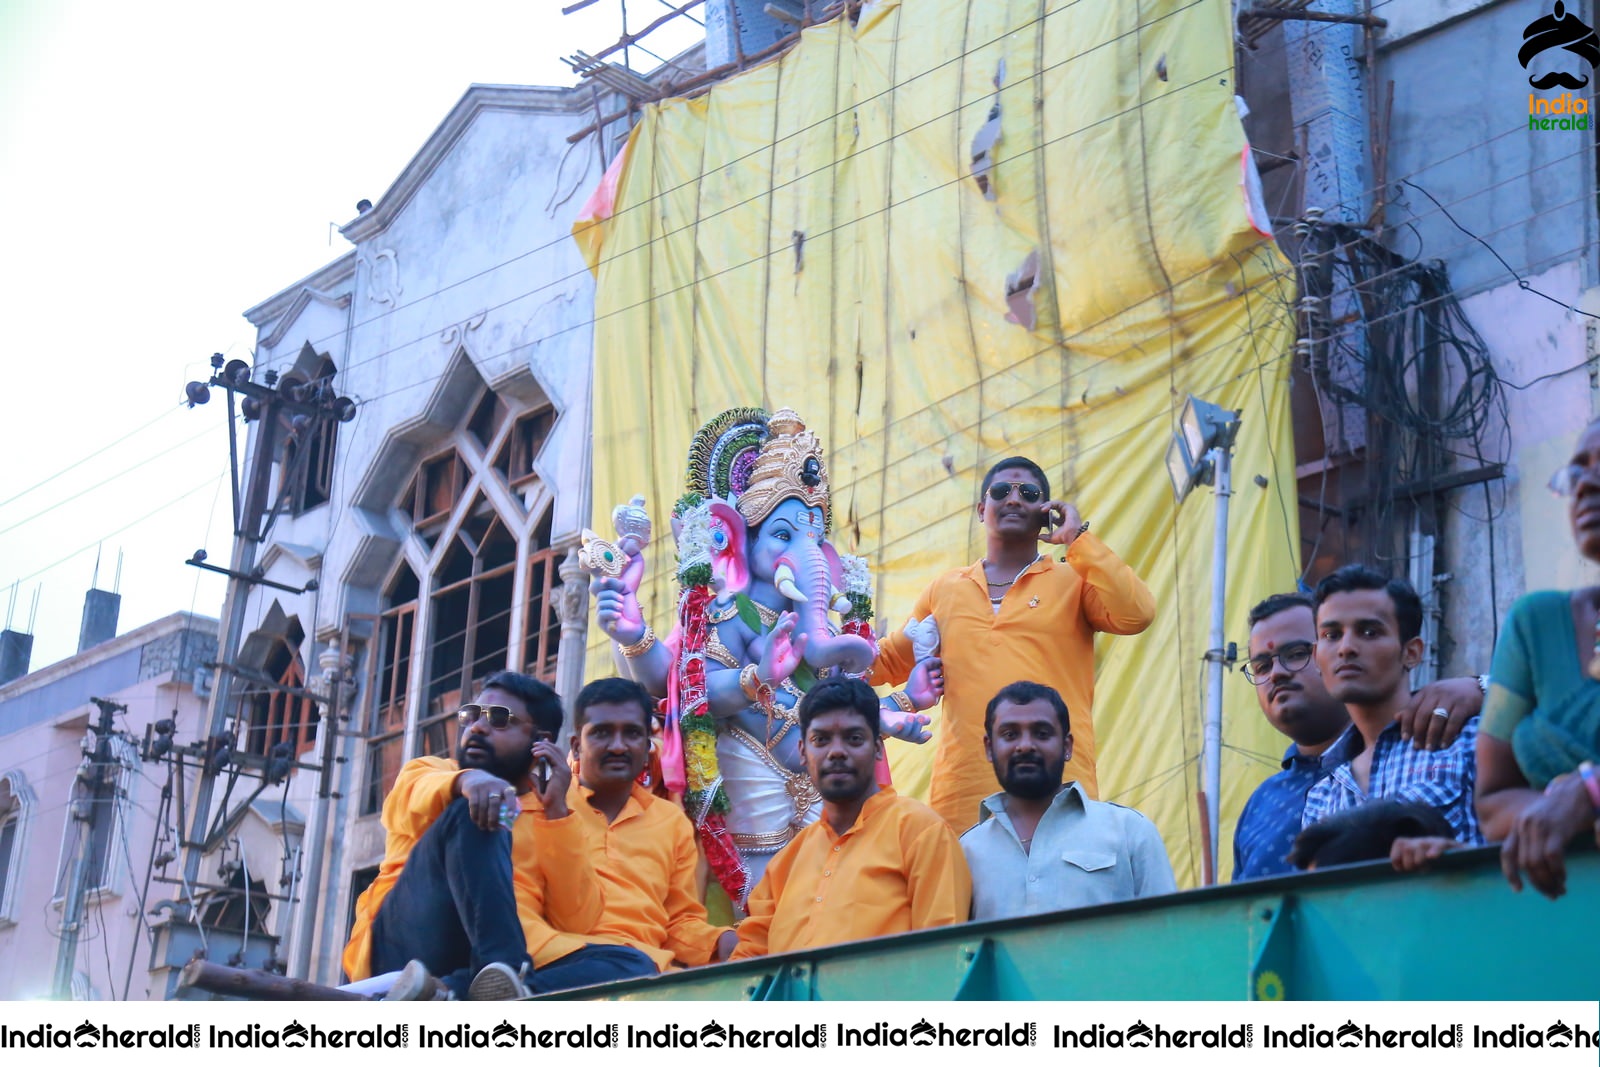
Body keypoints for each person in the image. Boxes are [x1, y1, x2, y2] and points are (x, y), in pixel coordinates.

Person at [872, 456, 1155, 832]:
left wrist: (1078, 539)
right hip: (963, 800)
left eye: (1030, 493)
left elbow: (1137, 613)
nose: (1014, 499)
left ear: (1046, 513)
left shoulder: (1074, 579)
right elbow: (888, 661)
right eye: (1002, 491)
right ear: (981, 510)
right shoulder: (945, 590)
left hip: (1058, 791)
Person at [342, 672, 653, 999]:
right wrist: (469, 781)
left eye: (499, 719)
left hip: (492, 961)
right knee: (476, 810)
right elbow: (403, 805)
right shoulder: (432, 772)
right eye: (472, 715)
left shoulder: (558, 813)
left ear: (541, 742)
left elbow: (576, 920)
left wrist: (557, 812)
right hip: (405, 948)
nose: (477, 726)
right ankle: (504, 977)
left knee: (634, 965)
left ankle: (467, 993)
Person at [1234, 592, 1484, 880]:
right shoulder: (1262, 803)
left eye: (1297, 654)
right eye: (1262, 666)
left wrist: (1487, 688)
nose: (1276, 673)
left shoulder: (1448, 736)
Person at [730, 678, 971, 959]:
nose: (836, 752)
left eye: (853, 738)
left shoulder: (921, 833)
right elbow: (750, 963)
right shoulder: (787, 862)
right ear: (803, 753)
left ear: (879, 748)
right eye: (821, 740)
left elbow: (944, 956)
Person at [1477, 418, 1600, 899]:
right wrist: (1558, 808)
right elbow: (1492, 802)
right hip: (1568, 900)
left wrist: (1587, 794)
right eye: (1576, 472)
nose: (1586, 483)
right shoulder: (1535, 623)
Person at [1300, 567, 1484, 845]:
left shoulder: (1468, 740)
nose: (1346, 647)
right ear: (1316, 657)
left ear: (1411, 653)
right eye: (1331, 635)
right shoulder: (1321, 796)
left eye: (1369, 632)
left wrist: (1485, 686)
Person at [562, 677, 738, 969]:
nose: (617, 746)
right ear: (576, 746)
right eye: (602, 733)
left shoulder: (671, 823)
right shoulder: (545, 807)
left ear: (647, 749)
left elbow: (679, 923)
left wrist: (723, 942)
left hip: (646, 973)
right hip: (560, 963)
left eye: (631, 734)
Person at [960, 681, 1173, 919]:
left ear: (1067, 746)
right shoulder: (965, 852)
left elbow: (1169, 935)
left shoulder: (1130, 831)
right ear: (989, 748)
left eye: (1042, 733)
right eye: (1010, 734)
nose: (1025, 746)